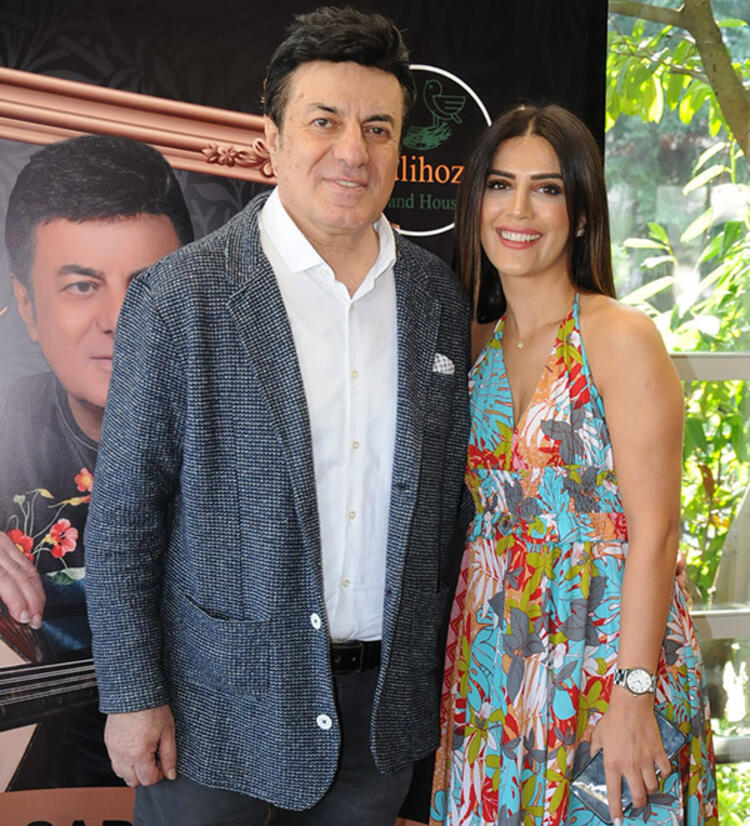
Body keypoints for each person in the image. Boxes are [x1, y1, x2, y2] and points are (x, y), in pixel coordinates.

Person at [84, 7, 470, 825]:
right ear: (271, 137)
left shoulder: (436, 297)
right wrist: (131, 695)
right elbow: (123, 520)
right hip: (210, 716)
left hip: (379, 719)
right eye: (324, 121)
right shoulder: (178, 296)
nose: (352, 151)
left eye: (377, 128)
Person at [429, 105, 718, 825]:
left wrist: (635, 691)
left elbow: (657, 531)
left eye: (548, 189)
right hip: (496, 651)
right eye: (501, 185)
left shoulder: (619, 336)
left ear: (582, 213)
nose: (518, 210)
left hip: (609, 652)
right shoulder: (474, 344)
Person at [0, 134, 192, 789]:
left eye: (148, 285)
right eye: (83, 286)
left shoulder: (257, 440)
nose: (118, 319)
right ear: (29, 307)